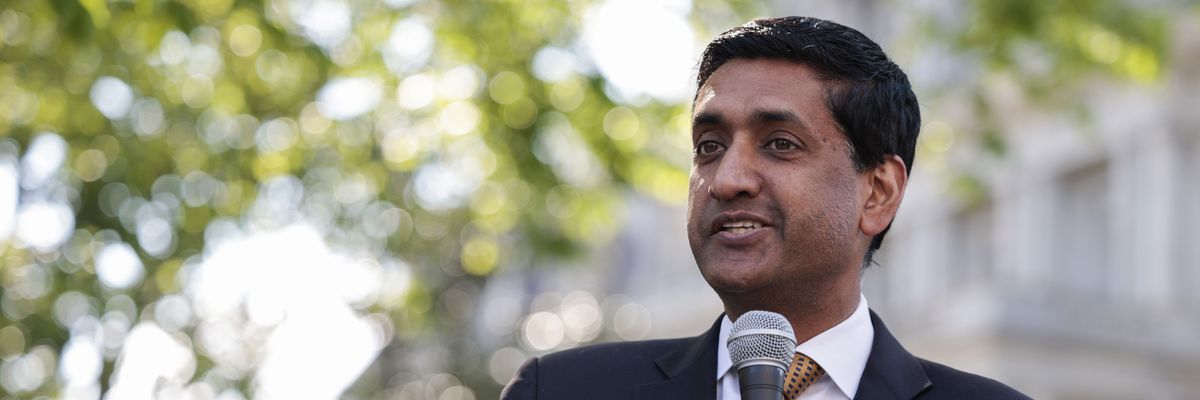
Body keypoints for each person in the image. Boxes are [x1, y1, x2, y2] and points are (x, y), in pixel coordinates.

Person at [501, 16, 1030, 399]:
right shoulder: (562, 390)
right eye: (710, 147)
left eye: (780, 143)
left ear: (879, 192)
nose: (727, 180)